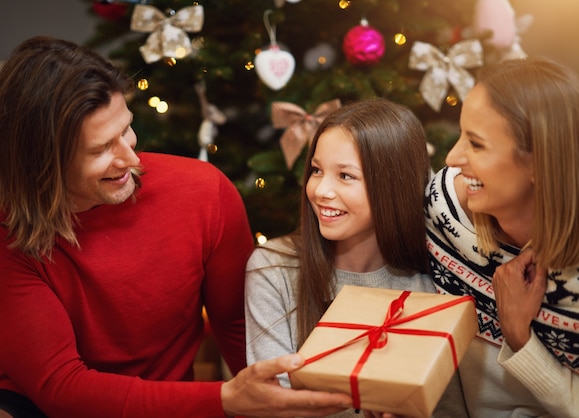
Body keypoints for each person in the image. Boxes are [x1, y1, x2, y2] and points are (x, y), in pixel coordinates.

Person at [0, 36, 353, 418]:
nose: (130, 158)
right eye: (101, 149)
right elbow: (61, 386)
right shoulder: (8, 233)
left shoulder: (203, 191)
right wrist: (225, 399)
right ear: (42, 162)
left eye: (127, 129)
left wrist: (270, 401)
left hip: (171, 407)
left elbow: (237, 325)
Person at [425, 56, 579, 417]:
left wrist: (520, 336)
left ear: (539, 162)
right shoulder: (443, 204)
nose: (452, 157)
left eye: (477, 143)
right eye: (460, 135)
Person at [245, 97, 468, 417]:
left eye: (345, 176)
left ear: (391, 186)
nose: (320, 190)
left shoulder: (437, 278)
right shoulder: (274, 268)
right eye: (317, 170)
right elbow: (274, 406)